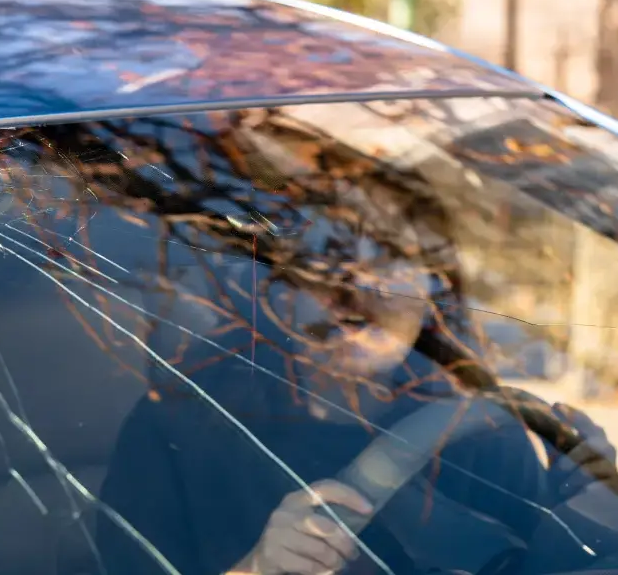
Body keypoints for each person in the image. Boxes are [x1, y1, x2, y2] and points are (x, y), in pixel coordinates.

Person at [95, 158, 618, 575]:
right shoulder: (183, 424)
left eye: (388, 259)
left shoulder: (476, 427)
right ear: (276, 290)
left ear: (430, 289)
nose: (357, 293)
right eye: (324, 263)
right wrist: (259, 569)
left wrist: (587, 511)